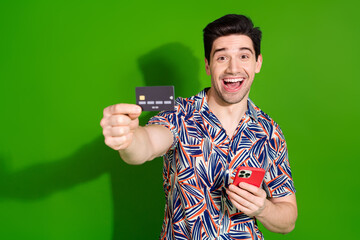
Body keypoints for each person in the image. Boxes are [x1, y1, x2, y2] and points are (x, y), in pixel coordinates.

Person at [100, 14, 297, 240]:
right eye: (222, 57)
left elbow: (288, 219)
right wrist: (129, 138)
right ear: (208, 65)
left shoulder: (270, 132)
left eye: (244, 56)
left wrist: (263, 208)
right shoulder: (180, 114)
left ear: (257, 63)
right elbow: (146, 145)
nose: (234, 68)